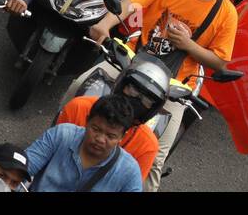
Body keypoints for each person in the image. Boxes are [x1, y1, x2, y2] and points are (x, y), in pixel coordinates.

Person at [87, 0, 238, 189]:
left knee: (155, 156)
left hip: (175, 87)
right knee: (81, 94)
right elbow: (131, 3)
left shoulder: (227, 14)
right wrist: (105, 23)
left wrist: (189, 45)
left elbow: (221, 63)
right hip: (132, 62)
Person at [56, 53, 166, 182]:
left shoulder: (147, 144)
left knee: (156, 168)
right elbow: (51, 156)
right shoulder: (79, 107)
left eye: (147, 99)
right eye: (132, 90)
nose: (136, 99)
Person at [24, 95, 144, 192]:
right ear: (87, 121)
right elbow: (21, 169)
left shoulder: (130, 172)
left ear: (121, 137)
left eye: (110, 136)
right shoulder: (61, 135)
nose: (100, 139)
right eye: (96, 129)